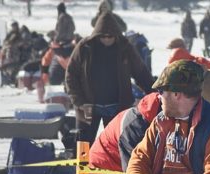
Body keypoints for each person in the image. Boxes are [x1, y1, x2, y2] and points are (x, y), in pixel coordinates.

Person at [66, 12, 153, 144]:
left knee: (117, 146)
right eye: (103, 36)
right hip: (88, 106)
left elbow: (141, 72)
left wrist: (153, 92)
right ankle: (83, 165)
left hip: (117, 106)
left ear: (116, 35)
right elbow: (71, 75)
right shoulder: (84, 47)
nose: (107, 39)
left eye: (110, 36)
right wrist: (78, 101)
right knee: (83, 146)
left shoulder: (125, 47)